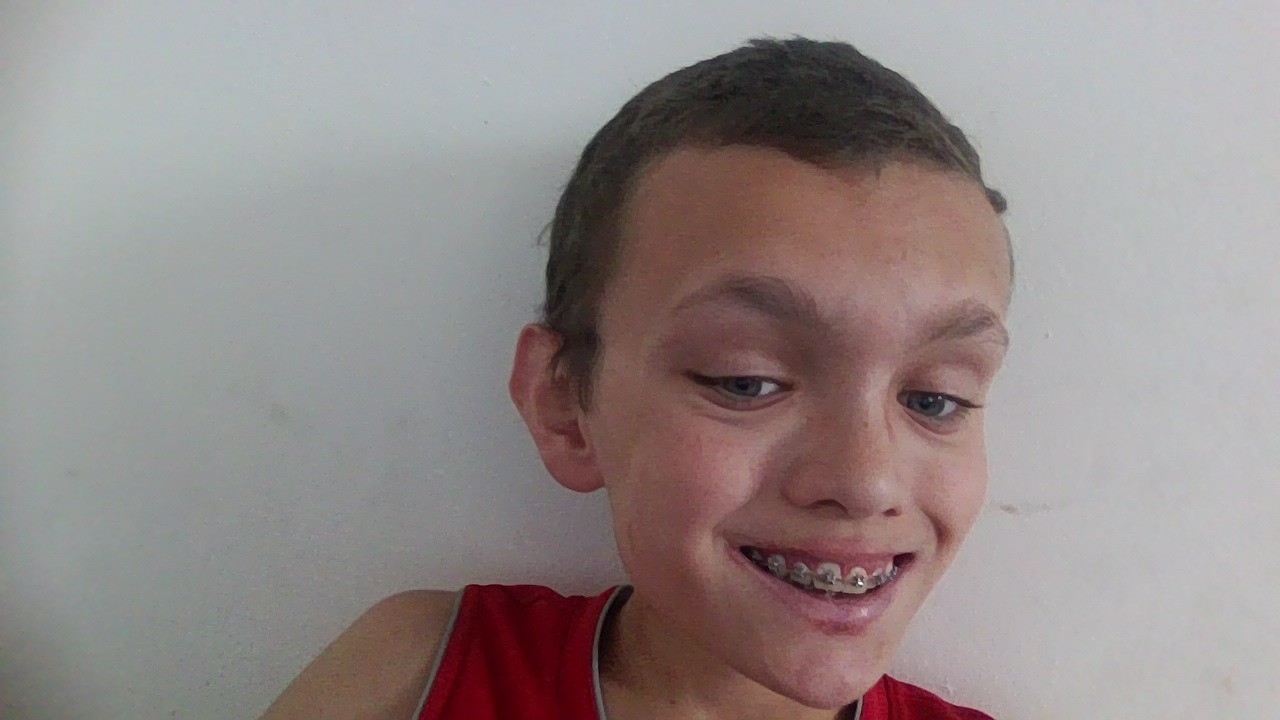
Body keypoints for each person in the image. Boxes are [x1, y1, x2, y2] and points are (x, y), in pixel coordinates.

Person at [261, 36, 1012, 720]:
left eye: (934, 399)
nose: (866, 482)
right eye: (745, 381)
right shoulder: (418, 672)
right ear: (564, 405)